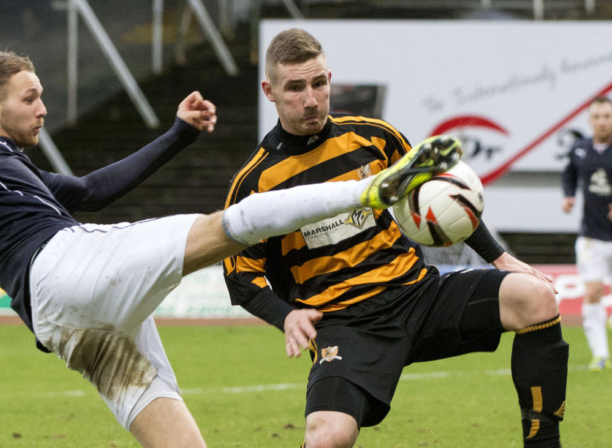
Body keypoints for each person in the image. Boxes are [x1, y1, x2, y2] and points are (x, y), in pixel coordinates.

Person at [0, 51, 420, 446]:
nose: (42, 108)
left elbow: (93, 191)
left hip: (69, 326)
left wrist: (178, 134)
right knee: (228, 225)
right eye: (29, 98)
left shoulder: (3, 165)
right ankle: (371, 189)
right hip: (64, 266)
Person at [223, 28, 568, 448]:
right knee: (327, 438)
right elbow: (241, 275)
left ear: (329, 79)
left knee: (536, 298)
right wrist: (285, 315)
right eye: (295, 87)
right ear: (270, 91)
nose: (311, 99)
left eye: (319, 83)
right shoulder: (255, 183)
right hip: (343, 323)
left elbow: (439, 194)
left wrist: (498, 257)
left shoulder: (373, 136)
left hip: (417, 295)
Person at [562, 96, 612, 370]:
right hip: (591, 237)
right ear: (590, 120)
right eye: (597, 117)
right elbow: (569, 173)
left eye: (607, 116)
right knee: (593, 291)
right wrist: (569, 195)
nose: (602, 121)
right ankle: (600, 355)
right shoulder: (580, 149)